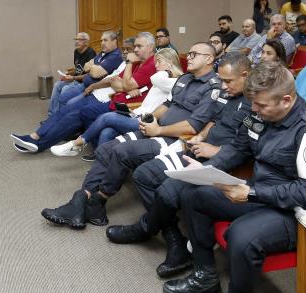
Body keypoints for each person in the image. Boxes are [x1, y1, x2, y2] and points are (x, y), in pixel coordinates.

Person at [164, 61, 306, 293]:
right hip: (259, 194)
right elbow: (239, 148)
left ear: (286, 99)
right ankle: (206, 277)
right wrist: (208, 170)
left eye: (261, 106)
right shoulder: (259, 112)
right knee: (194, 195)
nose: (255, 111)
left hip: (296, 211)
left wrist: (251, 192)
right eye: (254, 105)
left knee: (242, 235)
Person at [40, 42, 220, 229]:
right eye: (188, 53)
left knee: (120, 151)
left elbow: (193, 125)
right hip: (156, 130)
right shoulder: (185, 80)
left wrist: (158, 130)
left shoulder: (213, 88)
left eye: (194, 54)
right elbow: (167, 106)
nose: (188, 57)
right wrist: (150, 119)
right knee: (104, 150)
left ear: (208, 59)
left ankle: (96, 202)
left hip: (174, 139)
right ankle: (82, 199)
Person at [106, 53, 252, 279]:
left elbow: (246, 148)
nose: (223, 86)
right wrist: (201, 137)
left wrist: (215, 151)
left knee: (167, 191)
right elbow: (214, 121)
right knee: (145, 175)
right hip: (198, 149)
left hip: (223, 163)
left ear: (246, 75)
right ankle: (173, 236)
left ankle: (146, 228)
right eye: (221, 80)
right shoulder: (227, 93)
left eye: (228, 81)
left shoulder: (257, 103)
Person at [12, 34, 153, 153]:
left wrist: (124, 79)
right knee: (66, 110)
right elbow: (114, 81)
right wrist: (123, 85)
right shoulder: (135, 62)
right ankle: (35, 137)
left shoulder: (146, 64)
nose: (134, 50)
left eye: (138, 47)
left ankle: (39, 144)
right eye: (133, 47)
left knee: (74, 114)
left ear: (150, 47)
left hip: (116, 103)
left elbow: (121, 83)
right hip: (107, 96)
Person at [51, 48, 183, 157]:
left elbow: (155, 78)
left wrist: (167, 71)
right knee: (107, 132)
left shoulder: (176, 81)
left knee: (107, 117)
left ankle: (76, 144)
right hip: (137, 114)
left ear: (170, 62)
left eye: (159, 62)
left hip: (146, 122)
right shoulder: (165, 78)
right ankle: (101, 169)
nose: (156, 65)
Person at [53, 31, 124, 112]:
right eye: (101, 41)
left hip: (93, 88)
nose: (102, 43)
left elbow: (95, 73)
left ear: (114, 41)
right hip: (84, 83)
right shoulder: (102, 53)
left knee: (70, 103)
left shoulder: (115, 56)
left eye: (105, 40)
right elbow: (86, 67)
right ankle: (57, 118)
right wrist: (96, 66)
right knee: (63, 96)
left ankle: (62, 119)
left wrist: (93, 66)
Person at [47, 33, 96, 117]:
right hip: (75, 79)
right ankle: (52, 115)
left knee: (65, 89)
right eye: (76, 39)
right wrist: (68, 73)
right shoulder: (76, 52)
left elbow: (90, 74)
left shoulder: (91, 53)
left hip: (82, 82)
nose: (76, 42)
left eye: (80, 39)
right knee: (57, 85)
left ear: (86, 42)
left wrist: (73, 77)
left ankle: (61, 115)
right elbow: (77, 69)